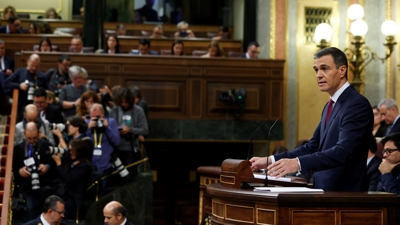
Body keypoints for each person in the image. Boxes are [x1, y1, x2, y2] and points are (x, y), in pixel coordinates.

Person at [249, 47, 373, 192]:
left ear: (342, 71)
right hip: (325, 192)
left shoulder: (356, 104)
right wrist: (270, 160)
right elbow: (312, 147)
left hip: (345, 195)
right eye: (316, 70)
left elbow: (343, 151)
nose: (319, 75)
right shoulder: (330, 106)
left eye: (325, 68)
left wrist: (298, 163)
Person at [13, 121, 56, 221]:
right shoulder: (18, 149)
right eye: (29, 138)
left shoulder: (46, 146)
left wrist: (47, 167)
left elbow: (55, 165)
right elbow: (13, 172)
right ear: (24, 134)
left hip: (45, 187)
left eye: (35, 138)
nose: (32, 141)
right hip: (27, 188)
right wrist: (19, 172)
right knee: (31, 213)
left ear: (39, 133)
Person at [110, 87, 148, 175]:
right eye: (121, 102)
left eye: (126, 102)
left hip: (130, 149)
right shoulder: (114, 110)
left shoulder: (138, 110)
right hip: (116, 149)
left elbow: (145, 130)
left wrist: (130, 130)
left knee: (129, 176)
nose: (123, 104)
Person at [52, 139, 92, 221]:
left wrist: (59, 164)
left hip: (73, 198)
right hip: (62, 194)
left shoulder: (85, 166)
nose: (70, 153)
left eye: (72, 150)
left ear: (79, 151)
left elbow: (69, 178)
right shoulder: (68, 161)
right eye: (69, 150)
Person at [4, 53, 48, 121]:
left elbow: (47, 91)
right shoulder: (19, 72)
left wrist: (39, 90)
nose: (34, 68)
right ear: (27, 62)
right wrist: (19, 86)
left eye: (36, 66)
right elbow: (6, 83)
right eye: (32, 66)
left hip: (37, 107)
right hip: (21, 106)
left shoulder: (42, 76)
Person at [86, 103, 120, 179]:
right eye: (93, 117)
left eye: (98, 117)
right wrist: (88, 128)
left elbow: (117, 142)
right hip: (90, 164)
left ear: (103, 113)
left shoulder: (111, 122)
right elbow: (80, 142)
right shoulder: (87, 123)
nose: (96, 120)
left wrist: (107, 128)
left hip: (106, 164)